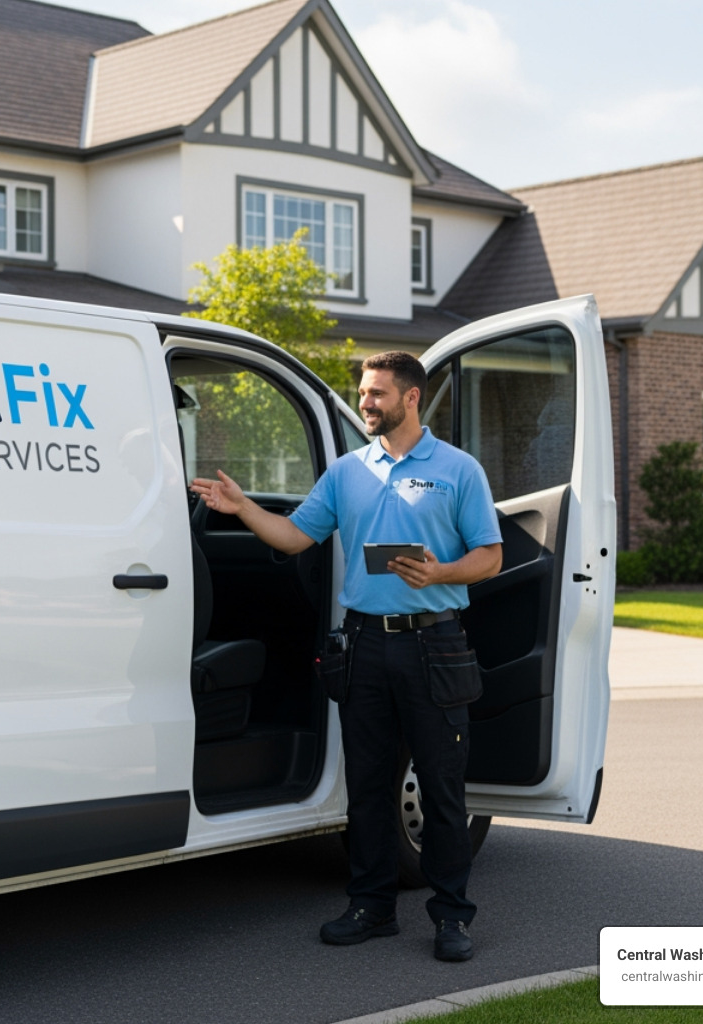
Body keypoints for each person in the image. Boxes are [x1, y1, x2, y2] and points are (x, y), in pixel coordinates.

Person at [189, 351, 502, 962]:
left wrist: (441, 570)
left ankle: (451, 917)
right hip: (362, 642)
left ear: (411, 398)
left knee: (440, 785)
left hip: (433, 642)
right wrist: (245, 509)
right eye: (362, 392)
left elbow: (489, 556)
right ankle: (372, 905)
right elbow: (296, 535)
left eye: (376, 394)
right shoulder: (347, 471)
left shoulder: (459, 470)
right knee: (366, 785)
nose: (365, 402)